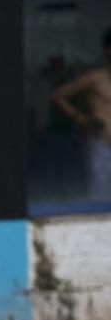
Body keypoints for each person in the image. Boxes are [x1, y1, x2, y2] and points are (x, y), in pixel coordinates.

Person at [51, 27, 111, 201]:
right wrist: (81, 118)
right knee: (100, 196)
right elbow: (57, 96)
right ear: (108, 50)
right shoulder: (95, 78)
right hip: (101, 145)